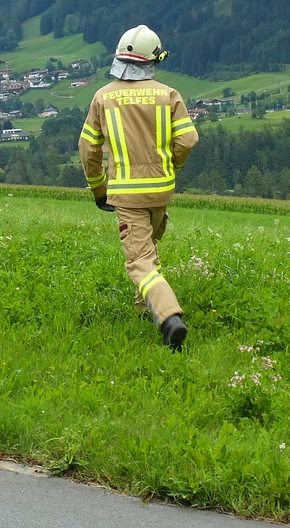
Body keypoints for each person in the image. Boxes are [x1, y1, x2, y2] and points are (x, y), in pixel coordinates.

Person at [79, 25, 199, 351]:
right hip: (161, 189)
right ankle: (141, 307)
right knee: (148, 248)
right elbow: (188, 139)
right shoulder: (169, 94)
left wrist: (97, 188)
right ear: (153, 59)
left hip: (127, 192)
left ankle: (169, 316)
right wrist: (171, 164)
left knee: (139, 262)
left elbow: (88, 148)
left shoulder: (103, 97)